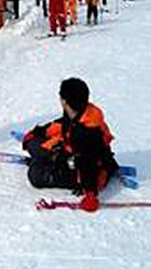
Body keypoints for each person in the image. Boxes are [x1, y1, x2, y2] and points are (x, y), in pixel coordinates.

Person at [22, 78, 118, 212]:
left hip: (90, 168)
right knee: (33, 144)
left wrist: (90, 195)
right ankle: (46, 161)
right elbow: (61, 124)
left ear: (65, 101)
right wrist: (38, 132)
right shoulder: (78, 110)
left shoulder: (87, 133)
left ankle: (106, 172)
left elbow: (88, 162)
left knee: (35, 175)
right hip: (71, 152)